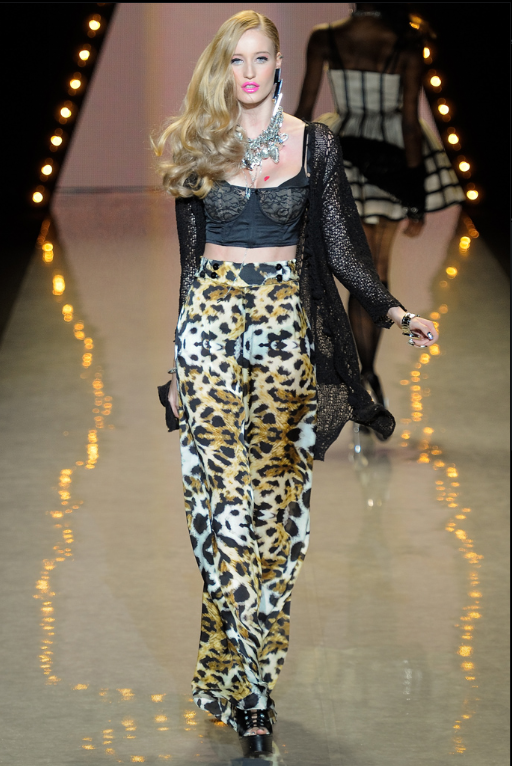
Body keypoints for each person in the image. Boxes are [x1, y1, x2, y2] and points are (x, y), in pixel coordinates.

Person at [153, 10, 438, 758]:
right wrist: (178, 366)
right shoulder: (199, 141)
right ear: (223, 68)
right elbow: (189, 268)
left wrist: (395, 311)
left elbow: (343, 250)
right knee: (220, 509)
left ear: (279, 64)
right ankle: (253, 697)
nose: (248, 73)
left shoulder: (315, 144)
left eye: (260, 59)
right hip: (211, 331)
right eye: (236, 60)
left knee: (277, 516)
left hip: (285, 333)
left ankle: (232, 669)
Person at [295, 2, 462, 408]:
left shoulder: (325, 37)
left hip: (342, 149)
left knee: (355, 269)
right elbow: (409, 121)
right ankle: (367, 373)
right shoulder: (405, 40)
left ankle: (360, 377)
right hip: (390, 158)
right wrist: (415, 198)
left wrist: (291, 173)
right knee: (376, 270)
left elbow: (303, 111)